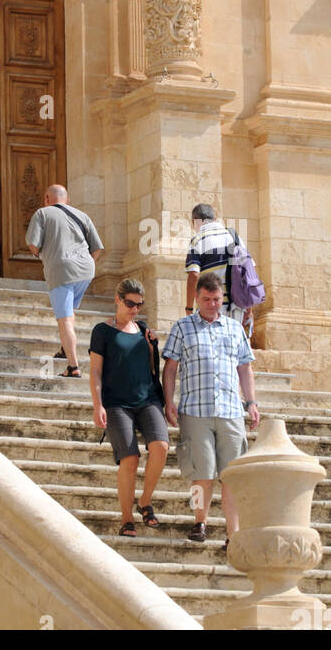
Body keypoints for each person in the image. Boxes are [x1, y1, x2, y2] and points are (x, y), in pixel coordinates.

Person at [162, 271, 260, 543]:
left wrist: (251, 402)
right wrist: (169, 401)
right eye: (206, 299)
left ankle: (234, 533)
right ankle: (199, 522)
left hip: (230, 411)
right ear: (197, 298)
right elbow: (170, 369)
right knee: (199, 473)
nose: (212, 304)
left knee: (232, 477)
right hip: (195, 411)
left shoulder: (234, 328)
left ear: (222, 298)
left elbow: (245, 367)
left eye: (216, 299)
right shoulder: (182, 327)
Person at [89, 278, 169, 537]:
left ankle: (145, 501)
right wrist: (97, 404)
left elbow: (152, 367)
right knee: (130, 458)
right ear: (117, 299)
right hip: (116, 405)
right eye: (129, 303)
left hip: (147, 400)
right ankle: (127, 518)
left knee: (161, 447)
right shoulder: (102, 331)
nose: (134, 309)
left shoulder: (144, 329)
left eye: (139, 304)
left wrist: (151, 344)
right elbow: (95, 372)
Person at [26, 184, 103, 378]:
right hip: (86, 269)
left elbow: (33, 244)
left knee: (65, 318)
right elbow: (98, 248)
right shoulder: (82, 215)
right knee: (69, 311)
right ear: (66, 199)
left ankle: (73, 366)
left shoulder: (42, 213)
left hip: (61, 270)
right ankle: (64, 348)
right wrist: (84, 263)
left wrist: (44, 254)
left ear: (46, 198)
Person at [185, 203, 244, 325]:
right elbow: (247, 271)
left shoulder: (197, 240)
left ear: (195, 222)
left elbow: (193, 276)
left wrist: (189, 308)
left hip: (211, 307)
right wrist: (249, 308)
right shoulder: (233, 236)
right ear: (214, 219)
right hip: (237, 306)